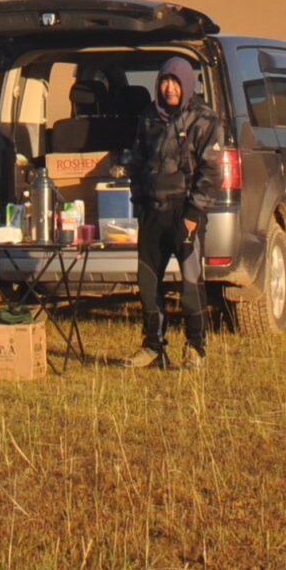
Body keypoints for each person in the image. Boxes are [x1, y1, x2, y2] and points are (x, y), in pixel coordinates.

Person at [123, 55, 226, 370]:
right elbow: (137, 162)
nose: (169, 88)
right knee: (148, 281)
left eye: (175, 82)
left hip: (186, 213)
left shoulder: (205, 120)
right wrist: (139, 202)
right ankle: (153, 347)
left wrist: (193, 213)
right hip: (153, 212)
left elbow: (211, 172)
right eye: (164, 81)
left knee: (191, 283)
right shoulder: (149, 118)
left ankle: (196, 348)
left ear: (187, 84)